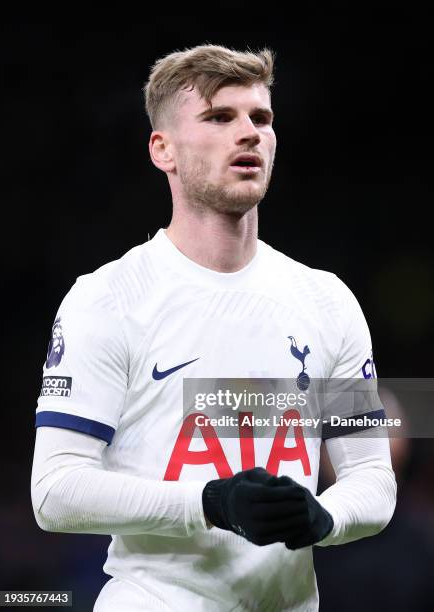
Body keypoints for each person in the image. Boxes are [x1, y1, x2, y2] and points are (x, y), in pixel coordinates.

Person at [31, 44, 397, 611]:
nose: (249, 132)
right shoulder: (107, 299)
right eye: (219, 117)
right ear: (163, 150)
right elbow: (55, 491)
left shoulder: (327, 301)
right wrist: (209, 502)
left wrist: (327, 517)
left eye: (262, 118)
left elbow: (373, 476)